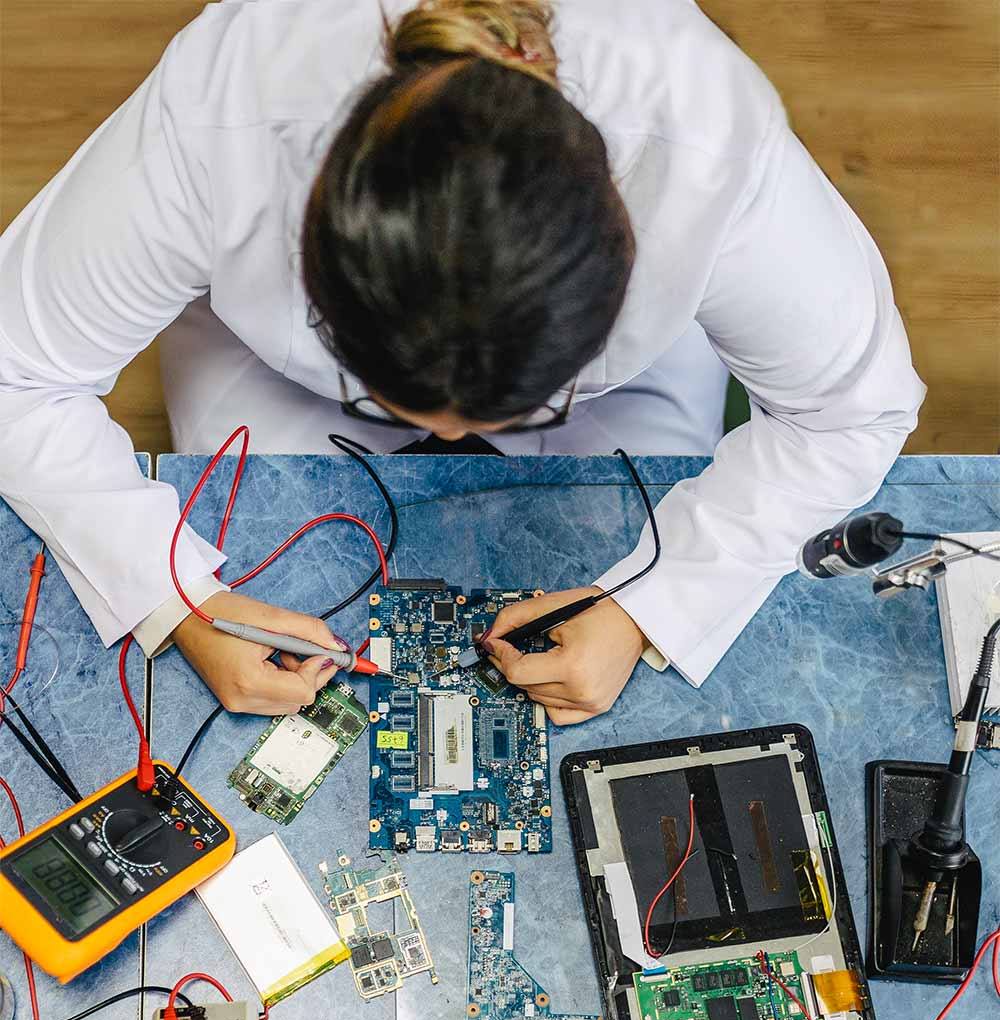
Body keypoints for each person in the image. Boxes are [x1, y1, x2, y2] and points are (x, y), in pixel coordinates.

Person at [0, 0, 924, 726]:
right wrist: (174, 596)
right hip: (276, 377)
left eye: (504, 407)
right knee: (243, 531)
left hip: (622, 397)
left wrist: (660, 599)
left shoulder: (708, 136)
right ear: (313, 258)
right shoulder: (224, 110)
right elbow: (15, 372)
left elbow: (851, 408)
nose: (449, 439)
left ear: (619, 260)